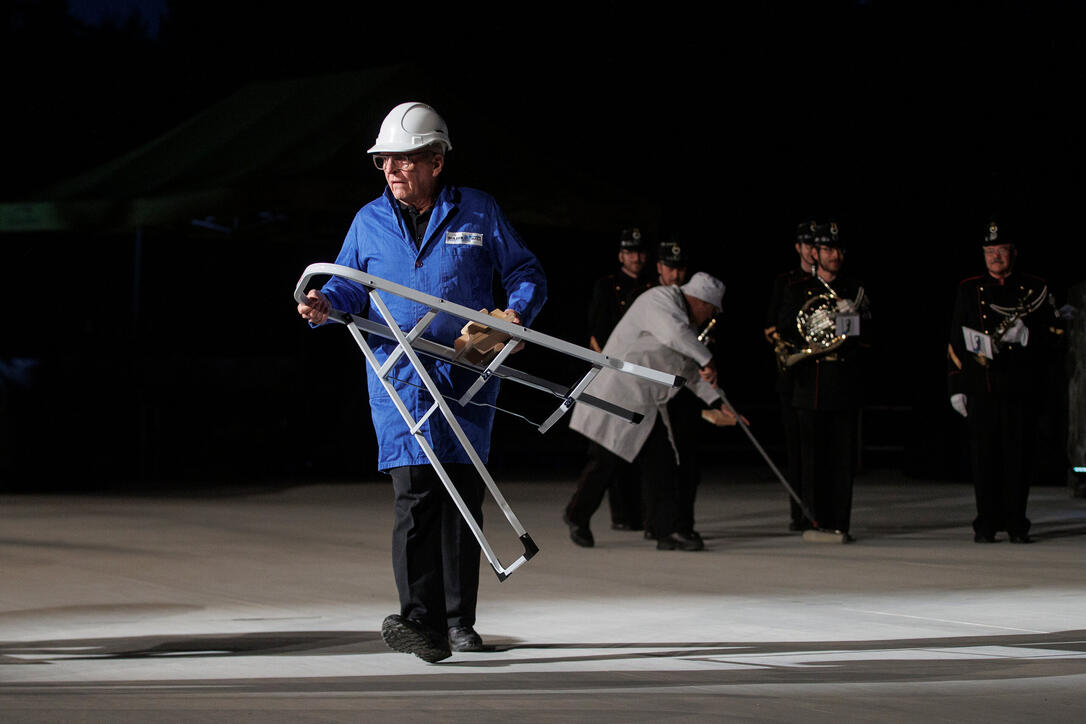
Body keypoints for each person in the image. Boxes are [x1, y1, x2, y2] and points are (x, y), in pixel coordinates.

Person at [297, 102, 547, 662]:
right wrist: (323, 304)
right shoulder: (368, 220)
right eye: (385, 160)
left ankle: (460, 624)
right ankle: (420, 621)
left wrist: (514, 316)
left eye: (403, 160)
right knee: (415, 499)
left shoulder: (478, 212)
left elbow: (526, 273)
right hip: (399, 380)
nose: (391, 169)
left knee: (460, 496)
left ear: (436, 160)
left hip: (463, 377)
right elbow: (347, 287)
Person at [565, 272, 738, 551]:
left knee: (662, 462)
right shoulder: (659, 300)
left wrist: (721, 404)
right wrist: (708, 358)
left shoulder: (687, 327)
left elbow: (690, 375)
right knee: (605, 462)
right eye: (712, 310)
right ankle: (577, 516)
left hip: (643, 401)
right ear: (701, 302)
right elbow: (674, 335)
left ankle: (664, 531)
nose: (711, 317)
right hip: (617, 392)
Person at [947, 221, 1054, 543]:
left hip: (1021, 388)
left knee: (1018, 460)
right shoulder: (968, 288)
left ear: (1013, 253)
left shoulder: (1035, 288)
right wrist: (956, 386)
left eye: (1001, 251)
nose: (995, 257)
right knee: (984, 460)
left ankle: (1017, 523)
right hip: (982, 386)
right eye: (990, 252)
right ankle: (986, 523)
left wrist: (1027, 336)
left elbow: (1056, 336)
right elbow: (955, 339)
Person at [776, 222, 869, 541]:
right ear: (815, 253)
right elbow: (786, 330)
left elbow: (865, 339)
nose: (835, 256)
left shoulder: (854, 289)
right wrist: (817, 325)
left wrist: (849, 319)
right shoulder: (797, 289)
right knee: (812, 459)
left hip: (842, 384)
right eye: (828, 249)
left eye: (838, 250)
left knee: (843, 460)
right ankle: (814, 520)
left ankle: (839, 521)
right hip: (809, 384)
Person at [573, 228, 654, 538]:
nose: (636, 257)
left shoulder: (652, 287)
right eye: (630, 252)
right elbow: (597, 332)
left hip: (643, 376)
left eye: (640, 252)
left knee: (637, 449)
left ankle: (636, 515)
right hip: (614, 374)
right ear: (621, 255)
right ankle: (599, 513)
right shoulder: (606, 287)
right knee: (607, 451)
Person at [764, 221, 818, 531]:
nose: (813, 250)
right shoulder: (785, 282)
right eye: (807, 244)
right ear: (798, 247)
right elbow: (770, 327)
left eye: (817, 245)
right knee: (796, 450)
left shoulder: (833, 283)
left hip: (823, 376)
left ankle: (820, 510)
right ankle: (799, 512)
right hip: (794, 376)